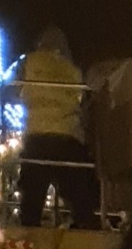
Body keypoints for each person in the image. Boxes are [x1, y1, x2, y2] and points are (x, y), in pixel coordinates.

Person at [14, 28, 91, 229]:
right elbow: (80, 100)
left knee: (33, 190)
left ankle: (29, 225)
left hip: (37, 136)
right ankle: (84, 222)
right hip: (68, 136)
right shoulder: (72, 69)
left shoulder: (29, 61)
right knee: (75, 187)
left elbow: (16, 90)